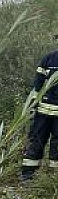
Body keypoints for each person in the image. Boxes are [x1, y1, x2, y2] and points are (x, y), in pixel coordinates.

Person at [20, 43, 58, 181]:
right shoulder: (48, 59)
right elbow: (37, 84)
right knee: (36, 141)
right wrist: (32, 104)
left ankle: (54, 180)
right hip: (42, 113)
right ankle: (28, 176)